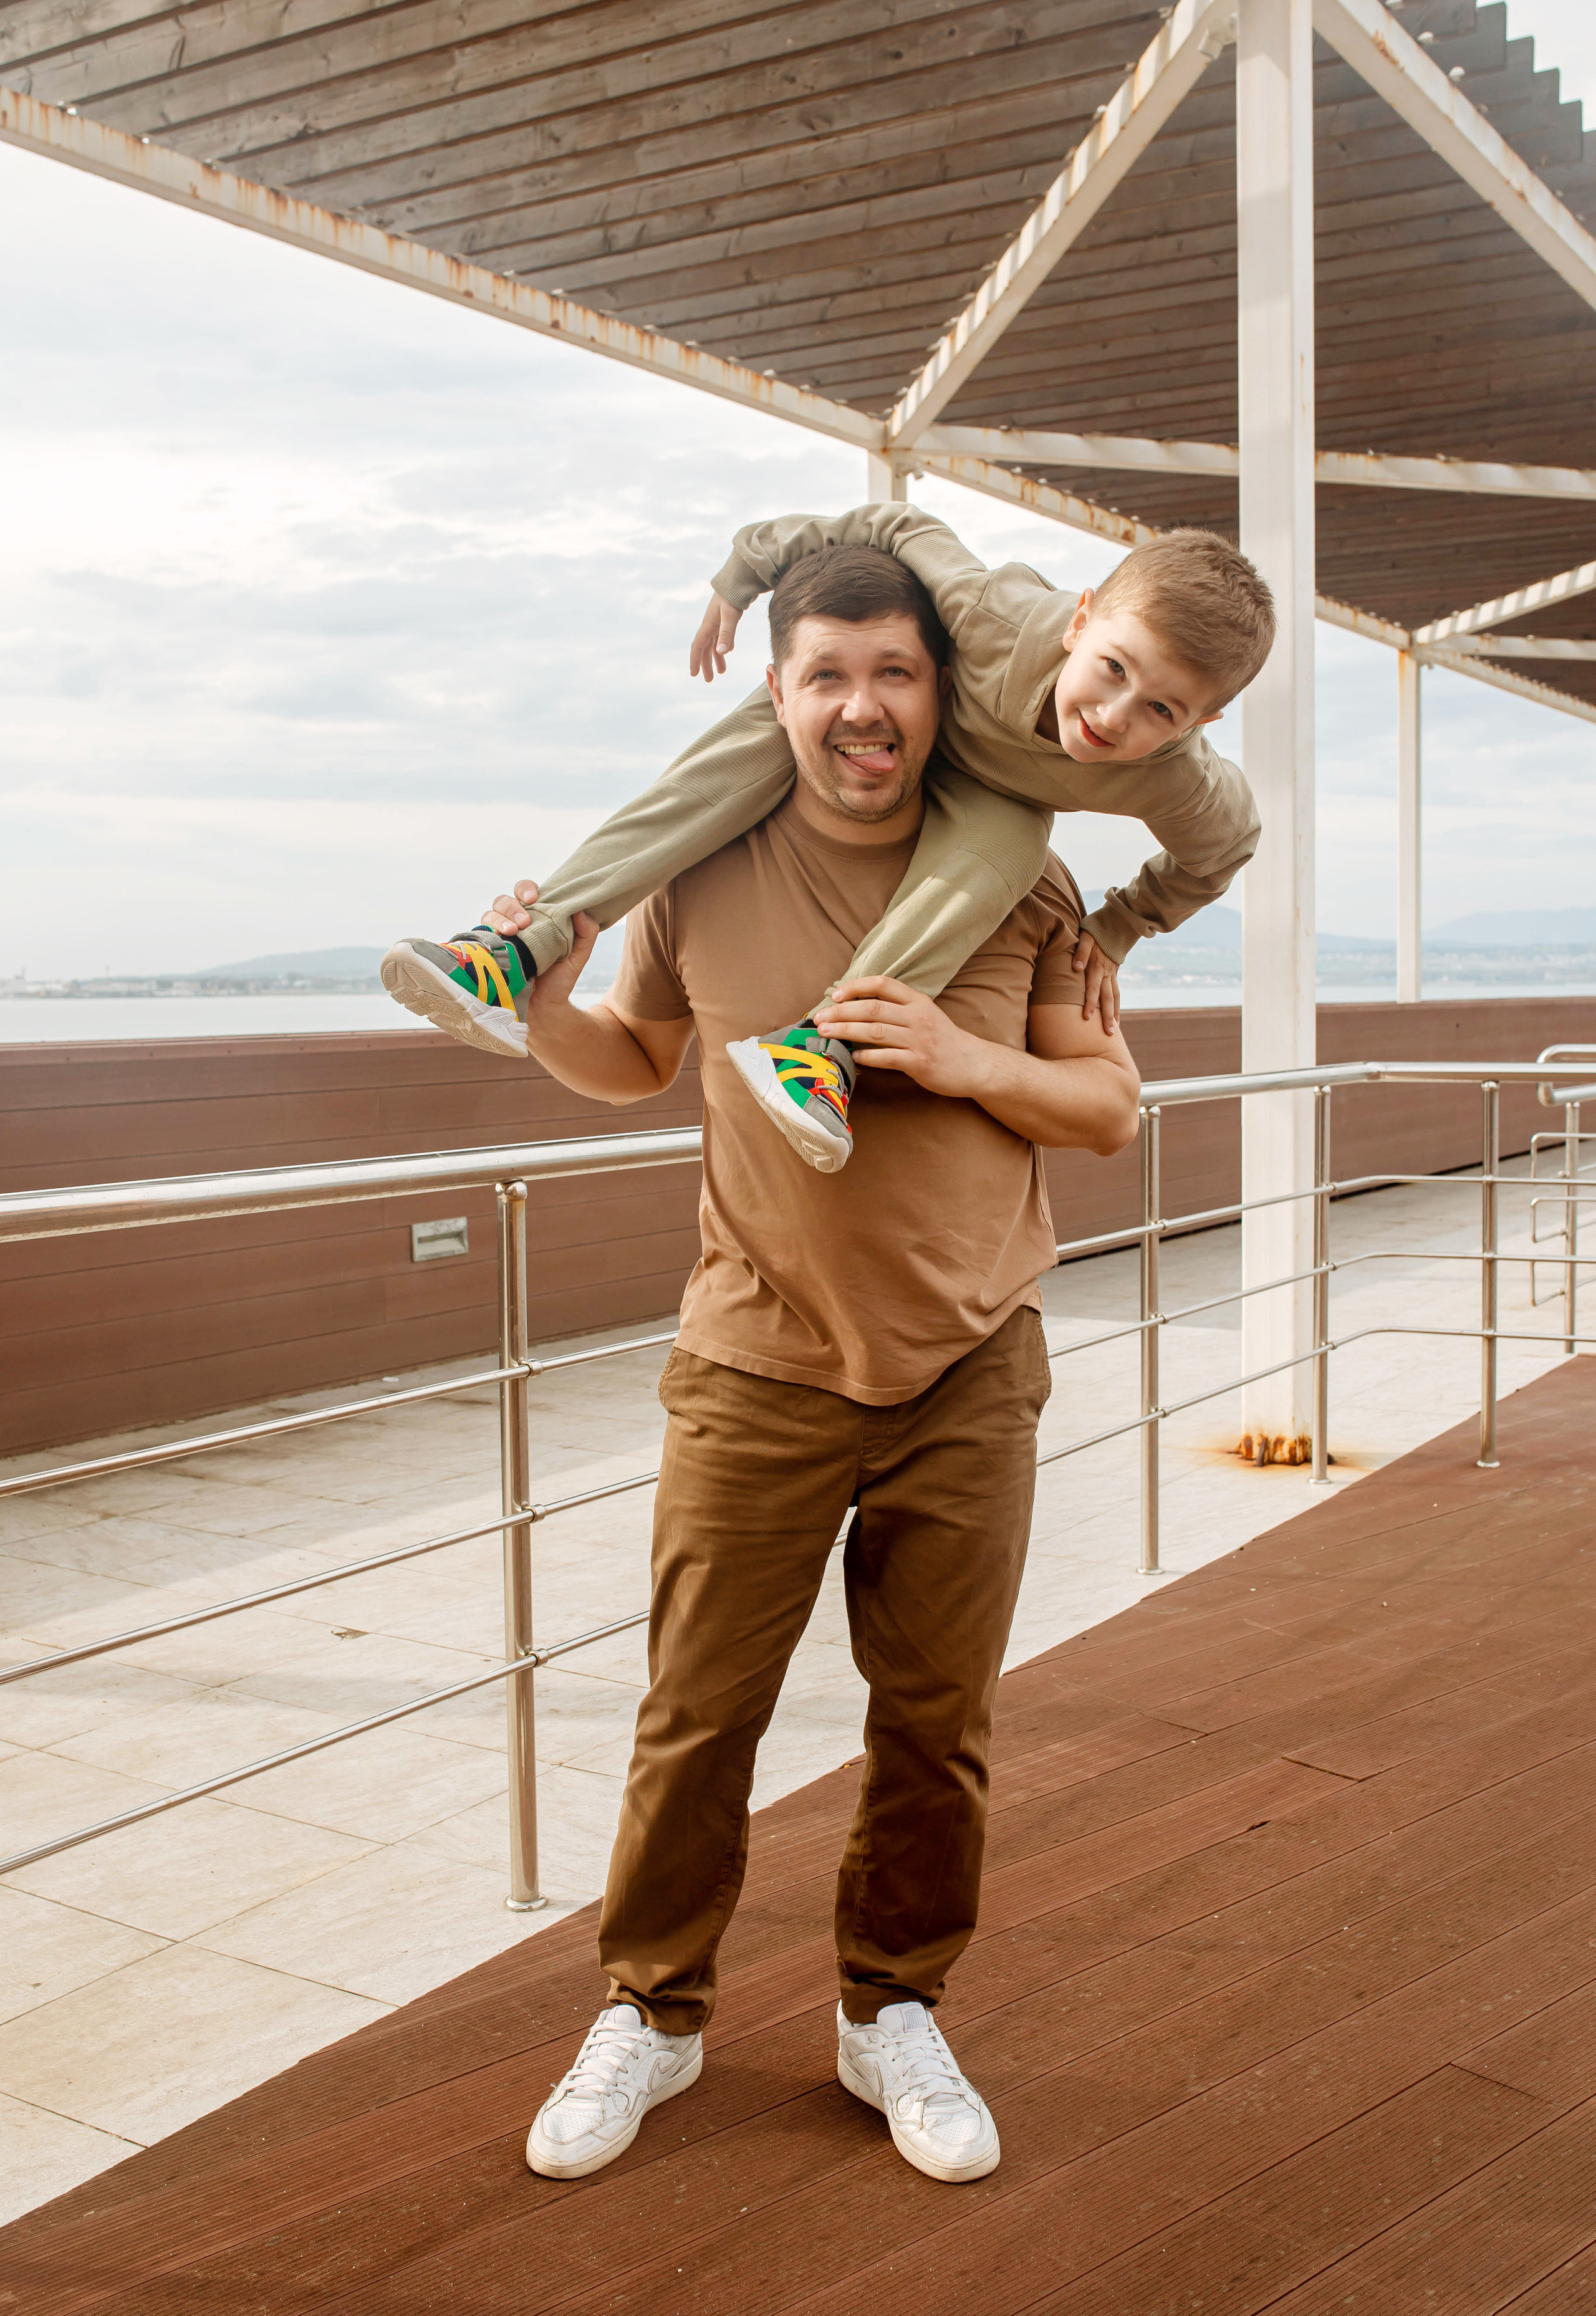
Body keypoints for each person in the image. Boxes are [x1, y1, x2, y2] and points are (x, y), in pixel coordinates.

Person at [505, 544, 1142, 2187]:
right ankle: (655, 2012)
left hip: (973, 1358)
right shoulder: (700, 866)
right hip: (755, 1356)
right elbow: (631, 1063)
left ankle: (891, 2009)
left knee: (937, 1727)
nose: (864, 707)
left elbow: (1108, 1109)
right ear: (779, 693)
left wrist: (963, 1056)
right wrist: (538, 1006)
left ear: (942, 694)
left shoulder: (1024, 874)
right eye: (828, 675)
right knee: (695, 1718)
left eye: (897, 675)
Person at [381, 506, 1267, 1176]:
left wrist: (1118, 928)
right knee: (733, 761)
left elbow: (1223, 853)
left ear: (1205, 720)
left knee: (1009, 853)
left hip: (995, 801)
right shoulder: (995, 614)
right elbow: (891, 523)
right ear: (1080, 625)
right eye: (1112, 669)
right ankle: (517, 949)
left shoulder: (1178, 787)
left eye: (1162, 709)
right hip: (912, 732)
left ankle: (819, 1050)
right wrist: (744, 572)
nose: (1113, 717)